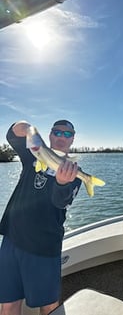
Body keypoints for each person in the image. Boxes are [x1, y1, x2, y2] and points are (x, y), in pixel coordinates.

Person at [0, 120, 82, 315]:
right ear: (50, 135)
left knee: (49, 306)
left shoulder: (73, 173)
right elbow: (12, 134)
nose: (61, 137)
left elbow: (60, 202)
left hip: (44, 246)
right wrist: (28, 128)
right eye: (57, 132)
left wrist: (62, 183)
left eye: (67, 134)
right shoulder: (34, 153)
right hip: (12, 240)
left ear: (73, 139)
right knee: (8, 303)